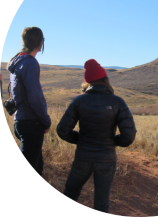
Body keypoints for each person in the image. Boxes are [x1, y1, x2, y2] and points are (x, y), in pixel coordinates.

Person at [57, 59, 137, 214]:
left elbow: (62, 130)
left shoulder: (79, 101)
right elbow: (129, 135)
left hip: (83, 157)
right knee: (101, 204)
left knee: (71, 193)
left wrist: (80, 139)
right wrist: (113, 141)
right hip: (106, 159)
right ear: (105, 79)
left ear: (87, 81)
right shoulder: (118, 102)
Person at [7, 27, 51, 177]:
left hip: (20, 121)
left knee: (38, 166)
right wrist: (46, 121)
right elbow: (35, 97)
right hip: (31, 123)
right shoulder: (30, 63)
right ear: (39, 43)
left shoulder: (17, 61)